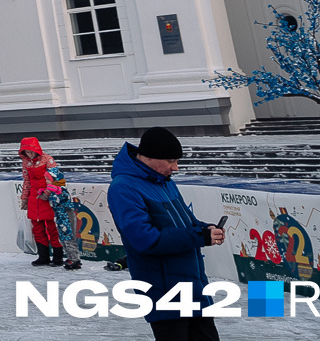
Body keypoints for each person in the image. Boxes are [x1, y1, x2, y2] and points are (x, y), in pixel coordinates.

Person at [107, 127, 225, 341]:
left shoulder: (165, 182)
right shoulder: (123, 187)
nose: (176, 168)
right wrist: (198, 237)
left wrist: (204, 229)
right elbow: (145, 239)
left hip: (192, 283)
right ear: (150, 156)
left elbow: (187, 220)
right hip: (163, 289)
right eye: (171, 161)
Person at [36, 149, 84, 271]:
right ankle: (70, 257)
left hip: (67, 217)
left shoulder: (61, 189)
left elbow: (63, 197)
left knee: (69, 238)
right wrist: (43, 192)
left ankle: (75, 259)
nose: (46, 182)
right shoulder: (53, 190)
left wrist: (54, 190)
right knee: (63, 238)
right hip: (60, 218)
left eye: (48, 180)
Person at [19, 136, 63, 268]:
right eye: (26, 152)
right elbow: (27, 181)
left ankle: (57, 257)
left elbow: (56, 179)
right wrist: (25, 199)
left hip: (47, 198)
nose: (29, 154)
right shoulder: (26, 163)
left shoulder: (48, 159)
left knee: (52, 228)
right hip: (34, 198)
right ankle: (43, 256)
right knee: (37, 228)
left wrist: (47, 194)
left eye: (31, 151)